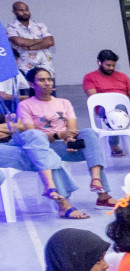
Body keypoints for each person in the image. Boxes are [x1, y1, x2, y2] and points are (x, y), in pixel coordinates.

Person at [15, 66, 111, 213]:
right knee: (91, 152)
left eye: (49, 79)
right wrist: (60, 135)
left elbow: (72, 127)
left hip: (67, 144)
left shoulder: (63, 102)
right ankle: (102, 196)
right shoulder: (25, 105)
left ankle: (96, 180)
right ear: (31, 84)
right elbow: (32, 135)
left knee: (89, 133)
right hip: (46, 147)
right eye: (41, 80)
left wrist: (70, 138)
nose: (47, 83)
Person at [7, 1, 53, 74]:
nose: (25, 12)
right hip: (25, 68)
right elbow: (20, 42)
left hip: (46, 67)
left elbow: (50, 42)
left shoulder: (40, 25)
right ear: (14, 12)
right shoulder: (11, 27)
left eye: (26, 10)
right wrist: (41, 41)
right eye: (21, 10)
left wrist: (29, 47)